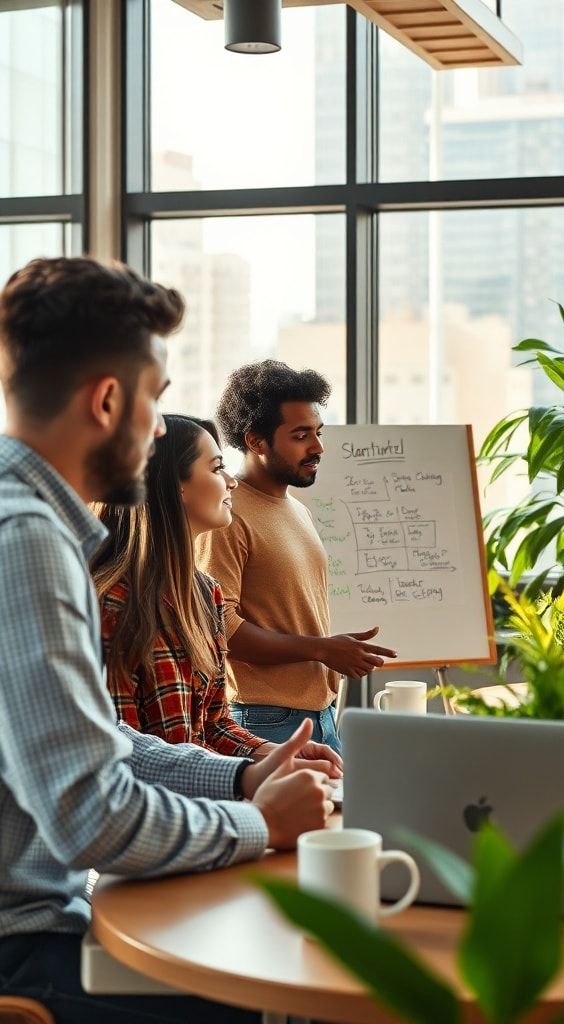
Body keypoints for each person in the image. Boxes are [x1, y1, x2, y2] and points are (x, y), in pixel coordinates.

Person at [0, 257, 334, 1024]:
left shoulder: (31, 526)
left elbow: (101, 740)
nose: (156, 431)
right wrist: (262, 824)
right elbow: (92, 814)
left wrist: (240, 782)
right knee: (268, 994)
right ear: (109, 399)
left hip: (37, 935)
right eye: (156, 400)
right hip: (26, 954)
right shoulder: (25, 541)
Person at [92, 414, 343, 772]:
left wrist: (281, 754)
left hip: (205, 806)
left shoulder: (206, 595)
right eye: (216, 469)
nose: (231, 482)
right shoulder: (112, 606)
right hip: (163, 817)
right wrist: (242, 779)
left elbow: (213, 724)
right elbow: (126, 759)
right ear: (174, 485)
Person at [196, 360, 397, 753]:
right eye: (301, 435)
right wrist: (322, 648)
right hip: (264, 720)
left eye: (318, 433)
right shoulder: (228, 513)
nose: (318, 447)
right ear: (256, 441)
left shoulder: (296, 508)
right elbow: (219, 627)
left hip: (320, 716)